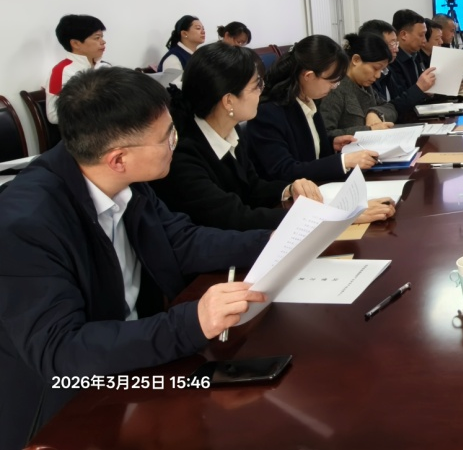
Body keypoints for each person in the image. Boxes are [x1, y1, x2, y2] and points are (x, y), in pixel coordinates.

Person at [0, 67, 271, 450]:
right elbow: (61, 351)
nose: (176, 143)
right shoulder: (26, 224)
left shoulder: (120, 177)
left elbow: (181, 240)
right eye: (167, 137)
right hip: (69, 403)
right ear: (118, 159)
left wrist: (276, 241)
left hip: (138, 356)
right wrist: (191, 322)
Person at [149, 43, 329, 231]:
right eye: (256, 86)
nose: (261, 91)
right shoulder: (183, 155)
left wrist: (289, 189)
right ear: (229, 101)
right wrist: (312, 216)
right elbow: (234, 218)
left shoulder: (230, 130)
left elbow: (252, 187)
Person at [248, 35, 380, 183]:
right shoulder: (268, 113)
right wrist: (343, 161)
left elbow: (308, 152)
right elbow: (285, 170)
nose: (334, 87)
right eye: (332, 82)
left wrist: (330, 143)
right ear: (309, 76)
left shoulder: (309, 100)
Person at [319, 33, 398, 138]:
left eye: (382, 70)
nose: (378, 75)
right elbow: (325, 134)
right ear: (356, 60)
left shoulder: (365, 86)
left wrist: (375, 113)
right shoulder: (335, 88)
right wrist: (369, 130)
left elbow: (390, 107)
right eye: (375, 68)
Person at [46, 14, 109, 125]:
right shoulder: (62, 71)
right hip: (85, 131)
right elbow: (54, 115)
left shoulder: (104, 67)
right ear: (75, 43)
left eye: (102, 37)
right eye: (97, 38)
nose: (103, 42)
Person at [383, 10, 437, 116]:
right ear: (404, 35)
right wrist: (420, 89)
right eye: (421, 35)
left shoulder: (416, 55)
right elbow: (397, 103)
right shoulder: (392, 61)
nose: (424, 40)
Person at [358, 19, 398, 101]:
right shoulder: (366, 78)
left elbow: (389, 105)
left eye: (396, 43)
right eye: (392, 44)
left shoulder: (387, 69)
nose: (396, 49)